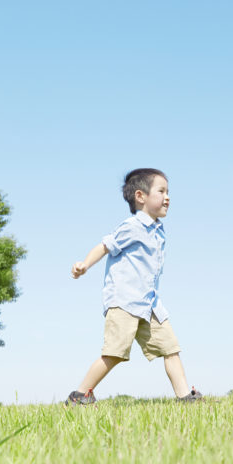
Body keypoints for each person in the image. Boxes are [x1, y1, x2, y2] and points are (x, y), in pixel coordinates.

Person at [66, 168, 203, 405]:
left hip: (149, 303)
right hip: (125, 302)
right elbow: (104, 246)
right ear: (141, 196)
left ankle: (185, 398)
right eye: (161, 191)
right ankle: (79, 395)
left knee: (170, 348)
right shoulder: (132, 227)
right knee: (114, 353)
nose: (168, 197)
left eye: (168, 191)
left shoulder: (159, 230)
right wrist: (85, 265)